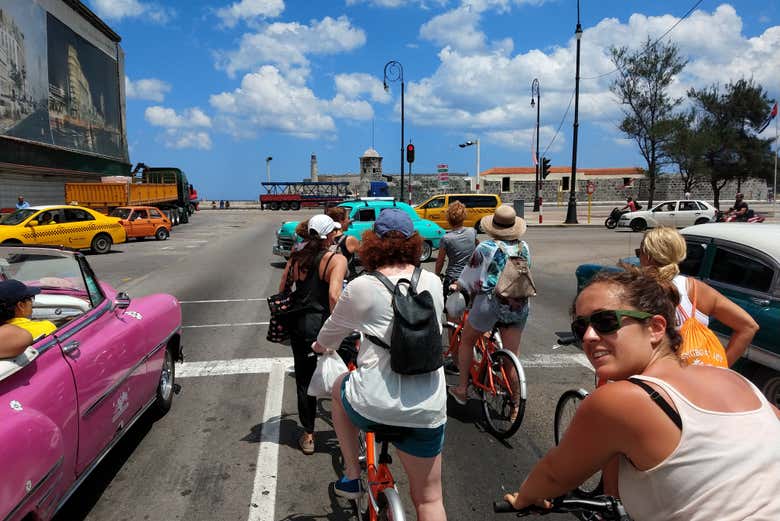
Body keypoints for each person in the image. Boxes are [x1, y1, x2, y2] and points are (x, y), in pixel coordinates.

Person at [504, 267, 780, 520]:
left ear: (656, 328)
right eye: (580, 326)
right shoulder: (736, 380)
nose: (588, 336)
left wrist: (524, 498)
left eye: (605, 321)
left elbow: (553, 475)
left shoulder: (621, 399)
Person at [312, 208, 446, 520]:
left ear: (374, 242)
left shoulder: (361, 286)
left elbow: (330, 334)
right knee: (429, 499)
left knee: (337, 389)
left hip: (373, 404)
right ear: (414, 242)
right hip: (427, 409)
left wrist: (320, 346)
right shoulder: (433, 282)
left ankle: (350, 473)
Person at [637, 227, 758, 366]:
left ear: (648, 256)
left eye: (639, 253)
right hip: (695, 378)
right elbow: (748, 327)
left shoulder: (636, 290)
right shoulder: (696, 289)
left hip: (655, 378)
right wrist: (722, 367)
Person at [448, 204, 530, 407]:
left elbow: (469, 279)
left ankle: (462, 389)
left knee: (466, 340)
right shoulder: (524, 247)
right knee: (512, 356)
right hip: (517, 305)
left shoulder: (485, 248)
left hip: (491, 304)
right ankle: (515, 401)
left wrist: (457, 285)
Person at [278, 214, 347, 455]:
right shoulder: (335, 260)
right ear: (329, 235)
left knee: (304, 380)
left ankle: (308, 434)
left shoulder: (297, 256)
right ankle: (349, 427)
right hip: (323, 325)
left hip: (300, 325)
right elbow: (334, 297)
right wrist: (344, 327)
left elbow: (283, 286)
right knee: (344, 375)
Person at [434, 201, 477, 297]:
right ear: (463, 217)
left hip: (453, 277)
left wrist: (437, 274)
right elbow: (478, 248)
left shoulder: (446, 238)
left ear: (448, 219)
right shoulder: (472, 232)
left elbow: (440, 261)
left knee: (450, 308)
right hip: (469, 277)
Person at [326, 206, 360, 281]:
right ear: (341, 221)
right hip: (348, 280)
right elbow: (365, 257)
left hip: (332, 280)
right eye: (347, 218)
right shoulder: (349, 240)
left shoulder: (326, 239)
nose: (349, 221)